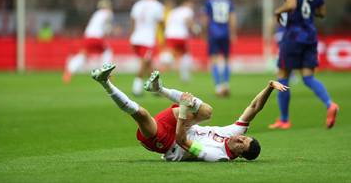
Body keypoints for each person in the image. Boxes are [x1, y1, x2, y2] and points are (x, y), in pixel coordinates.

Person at [91, 63, 289, 162]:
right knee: (207, 111)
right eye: (244, 138)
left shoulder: (216, 155)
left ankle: (104, 82)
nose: (240, 139)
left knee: (141, 114)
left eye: (241, 145)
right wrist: (270, 86)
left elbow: (182, 141)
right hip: (181, 122)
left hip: (169, 145)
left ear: (238, 155)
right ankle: (159, 89)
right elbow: (253, 108)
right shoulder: (233, 134)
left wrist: (184, 110)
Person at [270, 0, 339, 129]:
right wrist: (306, 9)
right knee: (308, 77)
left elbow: (291, 4)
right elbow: (322, 12)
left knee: (282, 76)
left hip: (293, 36)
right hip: (310, 36)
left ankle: (284, 120)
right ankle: (330, 104)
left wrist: (278, 11)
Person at [63, 0, 113, 83]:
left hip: (88, 36)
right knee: (107, 52)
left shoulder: (96, 14)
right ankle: (106, 73)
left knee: (83, 55)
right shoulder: (108, 13)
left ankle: (70, 70)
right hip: (97, 37)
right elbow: (107, 28)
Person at [202, 0, 237, 97]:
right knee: (226, 59)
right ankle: (226, 85)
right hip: (225, 33)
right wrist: (233, 33)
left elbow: (206, 19)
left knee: (214, 60)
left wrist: (204, 32)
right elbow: (232, 18)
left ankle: (218, 87)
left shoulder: (209, 2)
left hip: (214, 33)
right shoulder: (228, 2)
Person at [129, 0, 164, 96]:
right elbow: (161, 22)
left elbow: (133, 21)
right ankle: (136, 87)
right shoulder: (157, 5)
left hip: (136, 38)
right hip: (147, 39)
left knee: (148, 63)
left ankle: (156, 88)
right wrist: (164, 34)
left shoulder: (138, 4)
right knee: (144, 63)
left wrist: (132, 35)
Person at [164, 0, 196, 82]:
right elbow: (187, 20)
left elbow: (167, 23)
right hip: (181, 35)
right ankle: (185, 76)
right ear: (185, 3)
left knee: (170, 54)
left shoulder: (173, 11)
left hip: (170, 35)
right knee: (185, 55)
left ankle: (161, 71)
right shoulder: (187, 10)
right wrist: (195, 28)